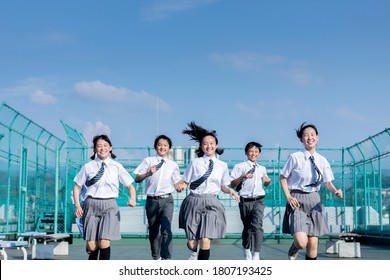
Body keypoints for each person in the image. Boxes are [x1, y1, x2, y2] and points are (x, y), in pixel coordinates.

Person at [176, 121, 240, 260]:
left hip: (211, 202)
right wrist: (181, 186)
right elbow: (185, 182)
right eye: (205, 143)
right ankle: (194, 251)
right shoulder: (195, 162)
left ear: (216, 145)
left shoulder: (222, 165)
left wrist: (231, 191)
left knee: (205, 239)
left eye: (211, 143)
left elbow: (223, 186)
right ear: (201, 146)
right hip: (194, 201)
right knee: (192, 243)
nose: (208, 146)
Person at [280, 122, 343, 260]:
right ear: (301, 139)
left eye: (312, 135)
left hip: (315, 201)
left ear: (317, 137)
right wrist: (289, 196)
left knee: (313, 244)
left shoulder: (322, 160)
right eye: (306, 135)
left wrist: (335, 191)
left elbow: (328, 183)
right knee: (302, 242)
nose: (310, 137)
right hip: (297, 200)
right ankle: (294, 248)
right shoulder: (295, 157)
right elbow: (283, 177)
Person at [73, 134, 137, 260]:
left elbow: (130, 186)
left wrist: (133, 199)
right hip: (90, 204)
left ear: (110, 148)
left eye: (105, 145)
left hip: (109, 206)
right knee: (92, 246)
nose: (102, 148)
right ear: (95, 149)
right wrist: (77, 205)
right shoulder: (88, 167)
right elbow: (76, 187)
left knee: (104, 242)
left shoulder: (116, 166)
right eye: (99, 146)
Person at [133, 135, 181, 260]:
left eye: (165, 145)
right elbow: (137, 178)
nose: (162, 147)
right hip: (152, 200)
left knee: (166, 228)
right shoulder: (148, 161)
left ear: (169, 148)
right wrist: (149, 173)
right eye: (160, 144)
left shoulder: (173, 165)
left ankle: (167, 258)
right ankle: (156, 257)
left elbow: (177, 183)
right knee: (154, 231)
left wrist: (181, 187)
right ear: (155, 147)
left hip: (167, 200)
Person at [230, 141, 271, 260]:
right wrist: (242, 176)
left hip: (259, 200)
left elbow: (266, 184)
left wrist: (267, 181)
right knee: (247, 227)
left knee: (257, 226)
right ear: (246, 152)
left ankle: (256, 254)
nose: (254, 154)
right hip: (244, 200)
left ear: (259, 154)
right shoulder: (240, 167)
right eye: (251, 151)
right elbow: (232, 184)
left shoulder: (262, 168)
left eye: (256, 152)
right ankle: (246, 248)